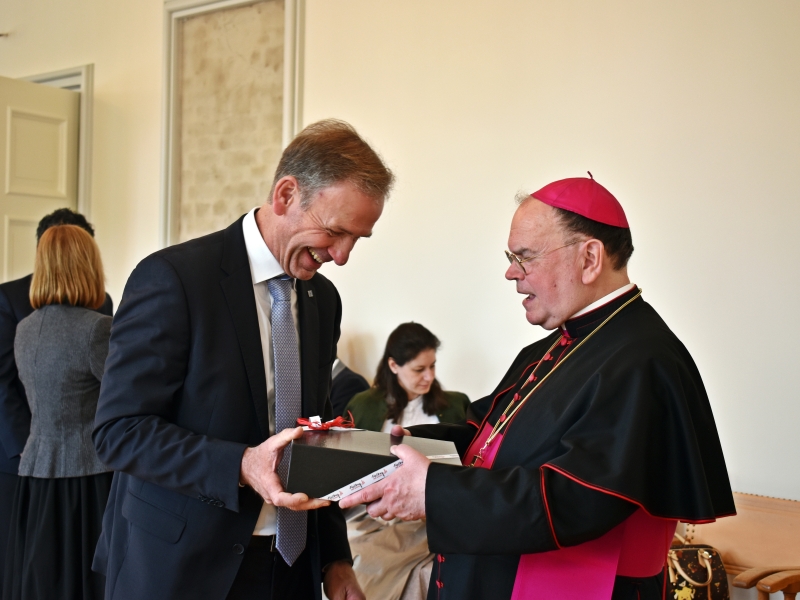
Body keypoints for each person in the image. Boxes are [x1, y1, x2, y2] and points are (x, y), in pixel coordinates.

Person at [340, 175, 735, 600]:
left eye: (524, 257)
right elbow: (485, 438)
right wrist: (391, 444)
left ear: (589, 258)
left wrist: (430, 490)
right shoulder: (551, 348)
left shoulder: (644, 359)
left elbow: (575, 499)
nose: (511, 272)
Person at [92, 119, 394, 600]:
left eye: (358, 239)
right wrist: (241, 464)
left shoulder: (323, 300)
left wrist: (335, 558)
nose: (342, 256)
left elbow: (313, 434)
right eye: (335, 232)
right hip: (181, 568)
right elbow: (118, 431)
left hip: (290, 567)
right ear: (286, 195)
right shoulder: (174, 279)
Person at [0, 209, 113, 587]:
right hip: (88, 474)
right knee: (84, 579)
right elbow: (123, 397)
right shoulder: (97, 328)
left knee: (42, 579)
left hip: (35, 471)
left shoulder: (26, 329)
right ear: (88, 265)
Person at [344, 322, 469, 600]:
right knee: (359, 552)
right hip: (374, 513)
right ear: (393, 365)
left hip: (435, 512)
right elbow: (348, 468)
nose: (429, 377)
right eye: (419, 369)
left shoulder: (456, 405)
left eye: (433, 366)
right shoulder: (362, 405)